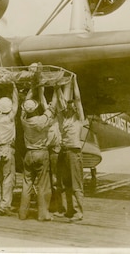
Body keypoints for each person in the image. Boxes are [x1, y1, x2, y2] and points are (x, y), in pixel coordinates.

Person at [18, 86, 58, 221]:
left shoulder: (23, 121)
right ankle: (43, 214)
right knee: (43, 185)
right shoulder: (41, 120)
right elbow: (49, 109)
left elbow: (24, 108)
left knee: (26, 185)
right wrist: (49, 90)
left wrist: (32, 87)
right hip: (41, 153)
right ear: (36, 109)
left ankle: (22, 214)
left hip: (28, 154)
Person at [57, 88, 84, 222]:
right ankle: (67, 210)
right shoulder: (63, 119)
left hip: (74, 152)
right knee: (63, 183)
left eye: (71, 107)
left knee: (76, 184)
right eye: (68, 106)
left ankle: (79, 212)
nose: (68, 108)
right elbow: (60, 101)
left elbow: (78, 100)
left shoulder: (78, 119)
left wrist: (74, 81)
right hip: (64, 151)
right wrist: (57, 88)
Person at [0, 83, 18, 216]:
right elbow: (16, 105)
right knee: (8, 179)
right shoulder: (10, 118)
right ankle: (5, 205)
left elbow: (9, 107)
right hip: (8, 150)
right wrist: (14, 89)